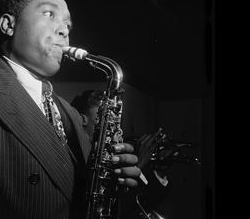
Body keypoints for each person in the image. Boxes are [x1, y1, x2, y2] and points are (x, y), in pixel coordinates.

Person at [0, 0, 143, 219]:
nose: (64, 31)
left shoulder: (69, 112)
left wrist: (113, 182)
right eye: (49, 13)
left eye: (67, 25)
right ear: (8, 25)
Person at [70, 90, 173, 218]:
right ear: (81, 120)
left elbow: (141, 207)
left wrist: (159, 172)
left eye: (113, 123)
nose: (113, 129)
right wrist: (139, 165)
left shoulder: (109, 158)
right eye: (105, 119)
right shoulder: (72, 160)